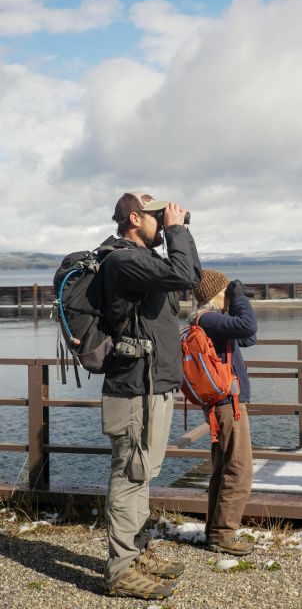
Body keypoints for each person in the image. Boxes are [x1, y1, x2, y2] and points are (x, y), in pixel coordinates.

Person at [101, 192, 201, 600]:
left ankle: (136, 553)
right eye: (157, 216)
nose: (163, 221)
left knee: (144, 474)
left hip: (153, 385)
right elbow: (184, 276)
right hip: (133, 389)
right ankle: (120, 570)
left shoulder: (146, 261)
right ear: (134, 217)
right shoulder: (122, 259)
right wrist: (176, 229)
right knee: (128, 475)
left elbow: (189, 276)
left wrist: (176, 232)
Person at [191, 269, 257, 556]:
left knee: (223, 468)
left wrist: (236, 301)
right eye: (227, 291)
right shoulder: (207, 319)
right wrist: (239, 298)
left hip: (225, 405)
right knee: (238, 469)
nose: (231, 295)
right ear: (216, 294)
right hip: (228, 406)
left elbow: (249, 337)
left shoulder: (214, 323)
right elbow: (247, 325)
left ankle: (215, 530)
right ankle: (223, 534)